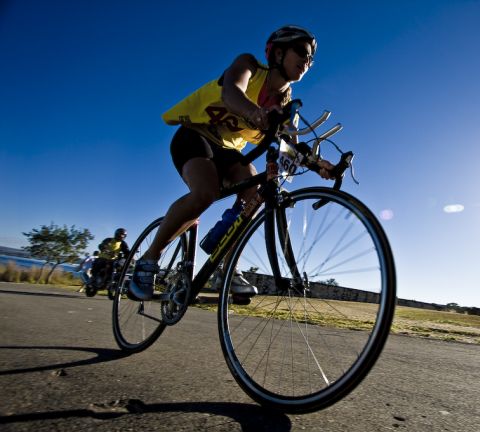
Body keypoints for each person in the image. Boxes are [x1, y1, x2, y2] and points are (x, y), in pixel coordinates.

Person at [128, 25, 335, 301]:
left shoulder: (286, 105)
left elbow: (292, 146)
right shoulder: (249, 64)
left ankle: (227, 268)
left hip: (228, 151)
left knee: (255, 190)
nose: (307, 61)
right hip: (196, 135)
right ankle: (148, 261)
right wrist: (255, 112)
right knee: (205, 193)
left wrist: (319, 164)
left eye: (311, 59)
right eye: (302, 52)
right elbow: (232, 92)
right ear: (279, 51)